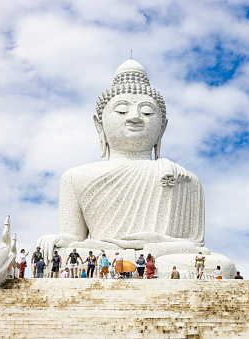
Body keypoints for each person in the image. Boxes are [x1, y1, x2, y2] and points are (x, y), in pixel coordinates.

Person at [37, 60, 206, 263]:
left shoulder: (185, 179)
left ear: (162, 128)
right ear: (99, 125)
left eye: (147, 112)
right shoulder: (74, 177)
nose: (135, 117)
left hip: (160, 256)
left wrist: (158, 242)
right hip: (101, 255)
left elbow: (194, 246)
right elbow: (74, 237)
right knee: (67, 256)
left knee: (220, 265)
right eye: (122, 110)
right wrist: (57, 240)